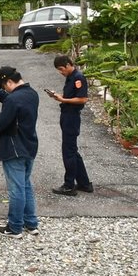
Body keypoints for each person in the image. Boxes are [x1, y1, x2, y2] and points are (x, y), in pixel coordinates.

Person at [0, 66, 40, 238]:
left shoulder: (14, 99)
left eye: (4, 87)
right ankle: (31, 223)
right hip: (29, 146)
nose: (5, 90)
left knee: (16, 189)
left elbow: (2, 123)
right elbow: (11, 100)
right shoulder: (32, 94)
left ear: (9, 82)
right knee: (25, 185)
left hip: (14, 149)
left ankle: (15, 227)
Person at [48, 54, 94, 196]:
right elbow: (70, 95)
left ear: (68, 64)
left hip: (72, 117)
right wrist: (59, 96)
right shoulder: (70, 77)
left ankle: (69, 185)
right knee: (72, 151)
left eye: (62, 69)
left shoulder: (78, 77)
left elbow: (83, 99)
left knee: (68, 152)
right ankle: (84, 183)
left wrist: (63, 99)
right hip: (67, 115)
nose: (61, 72)